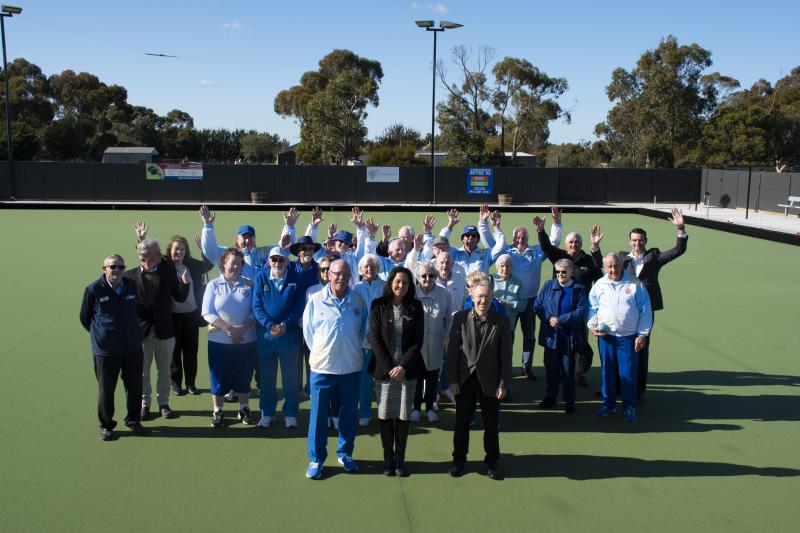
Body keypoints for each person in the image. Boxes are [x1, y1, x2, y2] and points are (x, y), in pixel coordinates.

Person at [302, 259, 368, 480]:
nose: (340, 277)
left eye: (345, 274)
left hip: (350, 367)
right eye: (336, 273)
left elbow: (361, 333)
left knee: (348, 415)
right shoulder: (315, 301)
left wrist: (347, 350)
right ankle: (316, 459)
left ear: (350, 276)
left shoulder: (358, 300)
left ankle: (345, 454)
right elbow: (310, 335)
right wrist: (325, 352)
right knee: (319, 416)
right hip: (322, 368)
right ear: (328, 275)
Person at [134, 221, 214, 396]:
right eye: (176, 249)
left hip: (192, 315)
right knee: (174, 352)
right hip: (172, 316)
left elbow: (208, 265)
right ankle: (176, 383)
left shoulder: (191, 265)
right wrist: (142, 238)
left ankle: (191, 383)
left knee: (191, 351)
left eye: (183, 249)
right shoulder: (164, 266)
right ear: (169, 251)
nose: (179, 252)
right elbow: (146, 255)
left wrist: (203, 247)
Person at [616, 207, 688, 401]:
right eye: (634, 240)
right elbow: (603, 265)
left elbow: (678, 250)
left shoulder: (654, 257)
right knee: (620, 347)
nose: (637, 243)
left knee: (641, 349)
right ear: (629, 242)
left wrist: (680, 228)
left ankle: (639, 390)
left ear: (645, 241)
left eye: (640, 240)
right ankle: (618, 387)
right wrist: (595, 248)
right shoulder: (622, 258)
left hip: (646, 312)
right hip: (625, 310)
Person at [485, 207, 562, 381]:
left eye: (524, 237)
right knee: (507, 336)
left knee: (529, 336)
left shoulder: (536, 252)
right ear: (513, 239)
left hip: (530, 301)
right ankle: (506, 366)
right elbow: (492, 243)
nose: (520, 240)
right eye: (518, 237)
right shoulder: (505, 251)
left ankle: (527, 366)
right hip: (508, 303)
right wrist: (493, 226)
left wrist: (556, 223)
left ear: (528, 239)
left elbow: (553, 244)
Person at [446, 279, 513, 480]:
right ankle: (459, 461)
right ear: (472, 298)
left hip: (491, 381)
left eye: (487, 296)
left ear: (493, 298)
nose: (483, 300)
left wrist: (504, 383)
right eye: (479, 296)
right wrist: (452, 380)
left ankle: (492, 462)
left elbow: (506, 357)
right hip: (464, 379)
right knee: (462, 422)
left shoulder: (502, 322)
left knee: (491, 423)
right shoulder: (459, 318)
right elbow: (451, 353)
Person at [80, 254, 146, 440]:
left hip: (132, 348)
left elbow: (137, 310)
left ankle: (134, 421)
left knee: (134, 387)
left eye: (120, 267)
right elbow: (85, 318)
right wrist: (102, 335)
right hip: (106, 351)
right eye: (112, 267)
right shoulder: (94, 289)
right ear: (104, 269)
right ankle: (107, 425)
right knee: (106, 390)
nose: (116, 270)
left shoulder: (131, 286)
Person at [124, 239, 190, 420]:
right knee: (143, 373)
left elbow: (179, 297)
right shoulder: (128, 277)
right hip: (141, 334)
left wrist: (185, 284)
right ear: (146, 256)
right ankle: (145, 404)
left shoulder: (167, 272)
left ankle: (163, 404)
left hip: (165, 332)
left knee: (165, 371)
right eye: (157, 251)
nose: (161, 254)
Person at [368, 267, 424, 477]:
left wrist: (402, 366)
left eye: (406, 283)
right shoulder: (378, 305)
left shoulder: (416, 307)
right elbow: (374, 338)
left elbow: (418, 341)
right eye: (398, 281)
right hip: (384, 371)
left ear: (410, 286)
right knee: (385, 415)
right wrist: (390, 367)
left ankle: (400, 459)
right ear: (391, 282)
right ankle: (388, 459)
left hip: (407, 371)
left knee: (402, 415)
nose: (401, 286)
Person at [536, 219, 603, 386]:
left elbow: (600, 275)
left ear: (581, 244)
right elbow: (545, 247)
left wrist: (595, 248)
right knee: (556, 341)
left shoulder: (589, 260)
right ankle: (557, 371)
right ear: (566, 245)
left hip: (579, 309)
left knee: (579, 341)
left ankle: (579, 372)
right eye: (571, 242)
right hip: (558, 307)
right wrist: (541, 230)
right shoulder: (559, 256)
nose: (574, 244)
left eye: (577, 242)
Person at [587, 253, 652, 423]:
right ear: (604, 267)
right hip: (606, 337)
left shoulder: (635, 284)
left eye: (616, 265)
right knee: (607, 372)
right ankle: (608, 403)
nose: (613, 269)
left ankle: (629, 406)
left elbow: (646, 311)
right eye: (609, 266)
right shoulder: (599, 285)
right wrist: (593, 325)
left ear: (622, 265)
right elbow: (592, 308)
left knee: (628, 374)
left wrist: (642, 334)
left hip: (628, 338)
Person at [202, 248, 258, 427]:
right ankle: (218, 411)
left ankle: (244, 409)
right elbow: (207, 312)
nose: (235, 266)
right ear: (224, 263)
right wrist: (228, 329)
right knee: (218, 376)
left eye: (239, 263)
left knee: (244, 375)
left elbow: (255, 311)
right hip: (219, 340)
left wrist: (241, 329)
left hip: (246, 340)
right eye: (232, 262)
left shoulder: (249, 284)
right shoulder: (213, 285)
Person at [252, 247, 305, 428]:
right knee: (267, 378)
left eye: (281, 260)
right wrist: (270, 325)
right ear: (269, 261)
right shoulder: (261, 277)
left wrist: (285, 325)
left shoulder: (296, 278)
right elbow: (256, 306)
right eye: (274, 259)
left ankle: (290, 413)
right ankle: (267, 413)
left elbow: (299, 306)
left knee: (290, 377)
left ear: (287, 262)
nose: (277, 263)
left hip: (288, 335)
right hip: (266, 335)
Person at [533, 259, 589, 414]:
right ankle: (550, 397)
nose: (560, 274)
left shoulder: (578, 288)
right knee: (551, 369)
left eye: (563, 271)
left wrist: (561, 320)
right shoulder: (548, 286)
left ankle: (569, 401)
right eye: (557, 271)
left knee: (568, 371)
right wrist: (550, 318)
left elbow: (581, 310)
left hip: (569, 337)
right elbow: (537, 306)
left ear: (571, 272)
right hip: (551, 336)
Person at [412, 260, 452, 423]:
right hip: (415, 346)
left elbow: (448, 321)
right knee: (415, 378)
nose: (427, 278)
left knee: (432, 377)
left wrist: (447, 342)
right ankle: (415, 408)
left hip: (436, 343)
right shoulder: (411, 293)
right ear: (418, 276)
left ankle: (429, 408)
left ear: (435, 276)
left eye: (430, 275)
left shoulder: (444, 294)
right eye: (423, 275)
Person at [352, 254, 385, 426]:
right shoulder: (356, 288)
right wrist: (364, 333)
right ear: (361, 269)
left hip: (382, 340)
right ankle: (365, 412)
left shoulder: (386, 287)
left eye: (373, 266)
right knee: (364, 379)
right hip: (363, 341)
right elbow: (355, 314)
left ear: (378, 268)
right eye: (366, 266)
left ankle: (384, 410)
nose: (369, 269)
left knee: (381, 378)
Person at [199, 205, 270, 279]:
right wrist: (208, 226)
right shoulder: (227, 254)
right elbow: (210, 250)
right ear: (237, 239)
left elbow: (279, 252)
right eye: (244, 237)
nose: (248, 240)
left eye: (251, 237)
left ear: (255, 238)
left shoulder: (263, 254)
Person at [438, 206, 504, 273]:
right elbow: (441, 242)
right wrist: (450, 224)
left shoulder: (486, 254)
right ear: (462, 239)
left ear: (477, 239)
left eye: (473, 235)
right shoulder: (455, 253)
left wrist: (496, 227)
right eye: (467, 235)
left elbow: (500, 247)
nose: (470, 237)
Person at [491, 254, 527, 336]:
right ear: (497, 267)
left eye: (508, 266)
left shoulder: (517, 282)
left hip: (508, 327)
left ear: (512, 267)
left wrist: (508, 304)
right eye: (502, 266)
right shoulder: (490, 280)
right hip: (491, 326)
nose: (505, 269)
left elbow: (523, 305)